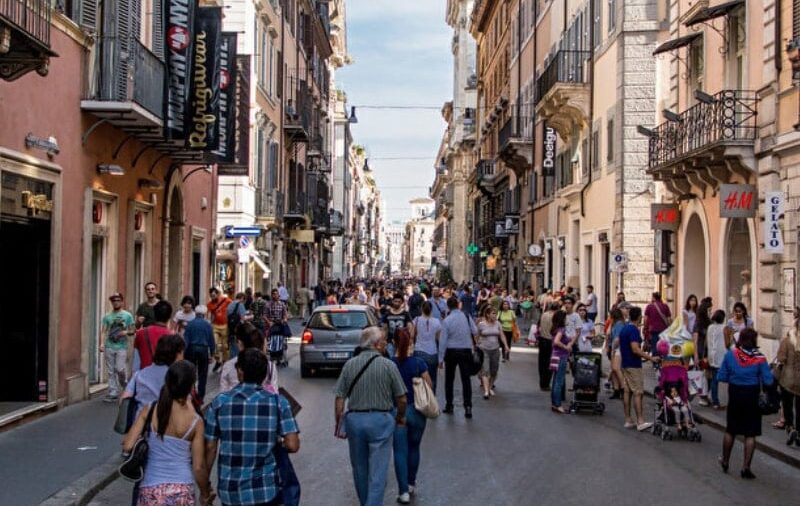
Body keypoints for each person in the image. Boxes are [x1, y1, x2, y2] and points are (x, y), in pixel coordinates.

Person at [205, 349, 300, 506]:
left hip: (231, 492)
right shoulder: (278, 403)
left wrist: (205, 486)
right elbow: (293, 445)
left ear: (240, 371)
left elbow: (210, 447)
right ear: (264, 374)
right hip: (265, 491)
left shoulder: (219, 403)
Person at [334, 328, 407, 506]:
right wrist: (400, 416)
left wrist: (340, 422)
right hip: (381, 420)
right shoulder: (388, 365)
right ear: (376, 344)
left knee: (359, 469)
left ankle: (365, 502)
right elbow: (402, 398)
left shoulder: (349, 365)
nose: (386, 344)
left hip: (355, 421)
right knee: (378, 472)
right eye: (384, 341)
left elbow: (339, 399)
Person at [124, 361, 212, 506]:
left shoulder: (150, 410)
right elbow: (198, 467)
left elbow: (128, 445)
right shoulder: (196, 422)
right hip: (182, 490)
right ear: (191, 386)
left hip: (151, 488)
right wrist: (205, 493)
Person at [717, 328, 774, 479]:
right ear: (754, 340)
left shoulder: (730, 355)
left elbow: (721, 376)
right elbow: (768, 381)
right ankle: (746, 467)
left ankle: (725, 461)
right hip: (752, 396)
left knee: (731, 430)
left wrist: (735, 377)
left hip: (735, 394)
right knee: (750, 433)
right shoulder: (760, 358)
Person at [391, 329, 432, 504]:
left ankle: (403, 492)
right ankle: (411, 483)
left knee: (400, 451)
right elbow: (429, 385)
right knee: (414, 447)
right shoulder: (418, 363)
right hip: (417, 411)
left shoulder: (389, 363)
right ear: (411, 343)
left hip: (397, 411)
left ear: (393, 343)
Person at [123, 334, 186, 418]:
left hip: (141, 422)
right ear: (177, 354)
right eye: (182, 353)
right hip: (168, 422)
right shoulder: (178, 377)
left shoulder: (139, 375)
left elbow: (125, 398)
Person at [619, 306, 659, 431]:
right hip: (633, 364)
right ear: (639, 317)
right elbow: (635, 349)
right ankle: (640, 421)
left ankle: (628, 419)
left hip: (625, 363)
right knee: (638, 392)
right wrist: (651, 358)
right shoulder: (633, 330)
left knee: (627, 391)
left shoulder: (625, 328)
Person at [439, 296, 478, 418]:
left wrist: (440, 358)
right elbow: (475, 331)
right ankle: (468, 406)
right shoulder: (466, 316)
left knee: (449, 379)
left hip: (451, 351)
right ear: (458, 305)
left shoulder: (447, 320)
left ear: (448, 307)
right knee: (466, 379)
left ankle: (449, 405)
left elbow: (443, 341)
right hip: (465, 350)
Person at [220, 323, 278, 394]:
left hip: (234, 399)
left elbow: (223, 392)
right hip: (264, 399)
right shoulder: (269, 365)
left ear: (239, 343)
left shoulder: (228, 365)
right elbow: (275, 391)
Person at [100, 293, 135, 402]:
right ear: (111, 302)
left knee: (120, 369)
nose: (116, 302)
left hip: (122, 346)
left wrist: (126, 332)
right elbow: (104, 331)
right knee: (111, 370)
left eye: (118, 300)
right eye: (114, 300)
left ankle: (125, 387)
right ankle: (113, 392)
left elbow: (133, 330)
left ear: (122, 301)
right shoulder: (107, 316)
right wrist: (101, 344)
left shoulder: (127, 315)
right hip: (109, 345)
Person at [776, 311, 800, 445]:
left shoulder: (786, 341)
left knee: (787, 405)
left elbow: (781, 358)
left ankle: (790, 427)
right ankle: (799, 432)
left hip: (787, 379)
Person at [183, 305, 215, 402]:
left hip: (191, 349)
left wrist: (183, 353)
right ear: (204, 314)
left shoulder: (190, 324)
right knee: (203, 373)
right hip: (203, 350)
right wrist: (212, 353)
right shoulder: (208, 325)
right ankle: (201, 396)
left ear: (196, 313)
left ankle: (190, 392)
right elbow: (211, 341)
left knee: (190, 372)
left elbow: (186, 340)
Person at [477, 306, 508, 400]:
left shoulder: (498, 324)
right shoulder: (481, 324)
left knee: (494, 371)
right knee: (485, 370)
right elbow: (477, 335)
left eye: (496, 314)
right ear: (487, 314)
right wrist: (476, 345)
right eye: (493, 313)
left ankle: (490, 387)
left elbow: (502, 335)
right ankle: (486, 391)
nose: (495, 316)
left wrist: (506, 345)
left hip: (495, 349)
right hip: (484, 349)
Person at [133, 300, 174, 369]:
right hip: (165, 374)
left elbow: (136, 361)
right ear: (169, 317)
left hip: (145, 373)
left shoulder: (141, 334)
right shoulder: (173, 337)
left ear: (154, 314)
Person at [412, 301, 442, 392]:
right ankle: (432, 397)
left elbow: (412, 335)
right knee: (432, 378)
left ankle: (420, 397)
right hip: (433, 352)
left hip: (419, 351)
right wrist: (441, 358)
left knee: (419, 379)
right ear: (431, 309)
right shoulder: (437, 322)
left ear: (421, 309)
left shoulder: (416, 320)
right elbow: (439, 339)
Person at [550, 310, 572, 413]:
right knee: (559, 381)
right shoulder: (561, 329)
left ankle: (554, 403)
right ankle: (558, 404)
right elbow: (556, 341)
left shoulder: (555, 328)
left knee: (555, 380)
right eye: (565, 318)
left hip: (555, 356)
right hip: (561, 356)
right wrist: (566, 347)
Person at [706, 310, 728, 410]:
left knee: (713, 379)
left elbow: (707, 341)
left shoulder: (710, 327)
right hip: (721, 356)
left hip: (712, 356)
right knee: (717, 379)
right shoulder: (724, 328)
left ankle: (711, 398)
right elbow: (728, 343)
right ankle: (716, 401)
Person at [207, 287, 232, 372]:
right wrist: (209, 324)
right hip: (215, 326)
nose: (213, 297)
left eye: (214, 295)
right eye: (211, 296)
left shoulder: (226, 300)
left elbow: (233, 306)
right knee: (214, 344)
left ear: (218, 294)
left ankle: (225, 362)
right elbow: (210, 315)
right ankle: (218, 360)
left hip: (225, 325)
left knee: (225, 346)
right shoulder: (209, 304)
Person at [605, 308, 625, 399]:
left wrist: (612, 349)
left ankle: (623, 388)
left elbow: (617, 339)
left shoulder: (619, 324)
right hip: (614, 348)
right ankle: (616, 390)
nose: (609, 317)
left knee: (616, 368)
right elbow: (608, 333)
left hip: (618, 348)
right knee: (613, 369)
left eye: (610, 315)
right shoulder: (614, 324)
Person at [537, 303, 556, 391]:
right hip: (550, 340)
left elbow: (539, 326)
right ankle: (546, 383)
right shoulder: (555, 316)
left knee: (542, 362)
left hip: (542, 339)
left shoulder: (544, 314)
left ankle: (542, 382)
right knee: (549, 363)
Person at [226, 292, 247, 359]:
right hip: (238, 328)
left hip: (230, 328)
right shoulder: (240, 304)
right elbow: (243, 318)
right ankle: (237, 360)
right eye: (244, 300)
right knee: (238, 345)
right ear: (242, 298)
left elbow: (227, 316)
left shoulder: (230, 304)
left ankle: (232, 359)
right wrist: (251, 316)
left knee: (232, 344)